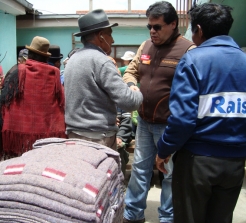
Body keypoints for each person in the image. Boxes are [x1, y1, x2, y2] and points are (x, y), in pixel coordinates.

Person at [156, 3, 246, 223]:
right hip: (235, 164)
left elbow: (182, 119)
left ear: (199, 29)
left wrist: (164, 149)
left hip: (197, 162)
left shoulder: (193, 60)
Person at [122, 1, 194, 223]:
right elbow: (131, 71)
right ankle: (132, 215)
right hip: (144, 122)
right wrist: (132, 82)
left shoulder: (189, 50)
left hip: (170, 126)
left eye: (157, 27)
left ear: (173, 24)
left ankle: (167, 218)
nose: (152, 31)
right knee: (139, 172)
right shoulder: (145, 46)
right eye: (149, 27)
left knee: (170, 175)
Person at [64, 9, 143, 151]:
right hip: (98, 138)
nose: (112, 40)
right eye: (110, 34)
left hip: (74, 135)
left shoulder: (73, 59)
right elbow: (129, 101)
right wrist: (137, 91)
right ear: (101, 36)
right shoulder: (101, 61)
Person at [0, 36, 66, 159]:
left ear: (29, 55)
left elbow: (5, 102)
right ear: (47, 57)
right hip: (48, 137)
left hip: (20, 136)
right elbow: (61, 103)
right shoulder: (54, 74)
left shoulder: (18, 72)